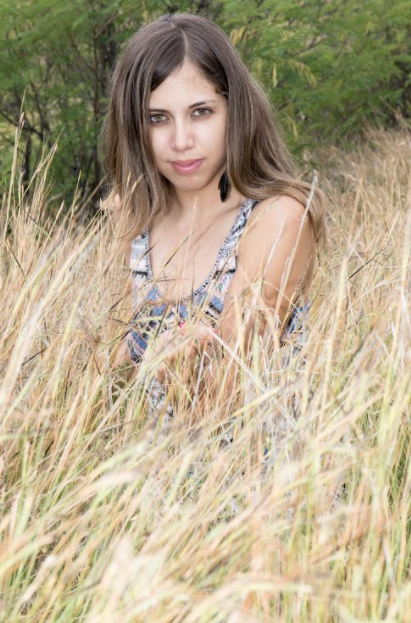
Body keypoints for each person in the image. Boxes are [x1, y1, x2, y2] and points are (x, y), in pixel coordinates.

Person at [101, 13, 325, 425]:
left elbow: (229, 402)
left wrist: (177, 373)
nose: (181, 141)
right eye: (157, 118)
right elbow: (111, 388)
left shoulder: (278, 217)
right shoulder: (133, 220)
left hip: (255, 463)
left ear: (234, 110)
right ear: (133, 127)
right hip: (144, 463)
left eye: (201, 112)